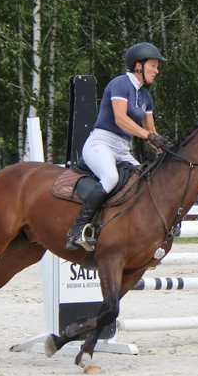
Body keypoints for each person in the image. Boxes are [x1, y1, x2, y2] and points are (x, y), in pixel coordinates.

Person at [65, 42, 172, 251]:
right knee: (111, 178)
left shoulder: (145, 97)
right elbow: (121, 119)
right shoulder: (120, 84)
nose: (157, 71)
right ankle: (77, 230)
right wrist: (149, 135)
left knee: (144, 179)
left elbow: (151, 132)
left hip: (122, 149)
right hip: (101, 143)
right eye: (154, 65)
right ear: (138, 65)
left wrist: (164, 148)